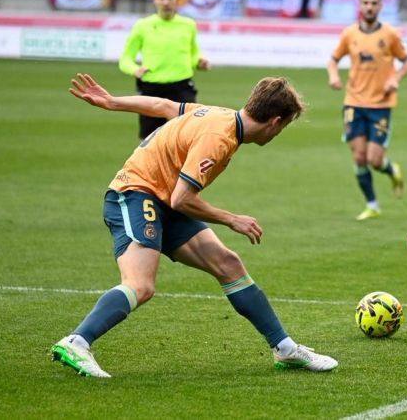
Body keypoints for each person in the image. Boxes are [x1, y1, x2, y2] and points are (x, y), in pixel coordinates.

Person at [50, 73, 338, 378]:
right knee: (140, 285)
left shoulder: (222, 115)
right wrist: (232, 219)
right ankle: (76, 342)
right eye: (283, 128)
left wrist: (112, 102)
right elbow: (181, 199)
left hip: (160, 198)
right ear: (275, 122)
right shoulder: (220, 139)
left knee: (228, 264)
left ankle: (285, 349)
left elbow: (163, 105)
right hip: (135, 196)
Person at [327, 0, 407, 221]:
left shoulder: (390, 35)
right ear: (360, 5)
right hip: (353, 102)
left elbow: (406, 63)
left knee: (374, 160)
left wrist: (395, 78)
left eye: (374, 3)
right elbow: (333, 60)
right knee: (359, 158)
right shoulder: (349, 34)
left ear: (380, 6)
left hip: (381, 105)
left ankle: (390, 169)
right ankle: (372, 204)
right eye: (365, 3)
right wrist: (333, 76)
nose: (369, 7)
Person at [120, 0, 210, 139]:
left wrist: (199, 61)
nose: (166, 2)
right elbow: (125, 59)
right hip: (152, 89)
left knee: (185, 138)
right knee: (150, 142)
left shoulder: (188, 25)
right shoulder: (142, 25)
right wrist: (135, 69)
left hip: (182, 88)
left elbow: (193, 54)